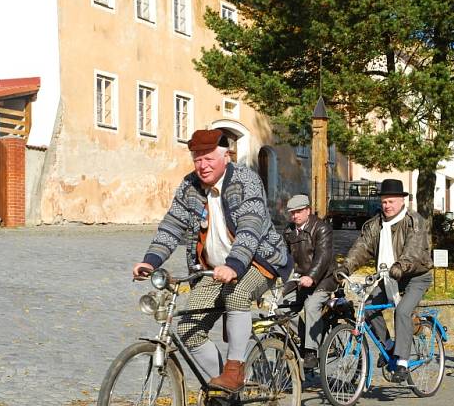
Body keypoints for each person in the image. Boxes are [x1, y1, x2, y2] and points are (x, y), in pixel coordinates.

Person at [132, 128, 292, 392]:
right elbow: (172, 226)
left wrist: (234, 265)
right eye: (197, 159)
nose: (202, 165)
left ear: (225, 156)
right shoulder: (189, 185)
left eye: (208, 158)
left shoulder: (246, 180)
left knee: (237, 294)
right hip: (213, 269)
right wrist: (151, 261)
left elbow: (250, 228)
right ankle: (223, 387)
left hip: (258, 260)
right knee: (188, 331)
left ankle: (234, 369)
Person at [334, 179, 433, 372]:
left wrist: (401, 266)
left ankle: (402, 362)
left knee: (402, 311)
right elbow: (361, 248)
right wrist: (346, 268)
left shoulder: (414, 221)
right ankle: (388, 346)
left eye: (391, 201)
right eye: (384, 202)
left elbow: (413, 250)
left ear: (401, 201)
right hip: (388, 277)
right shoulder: (376, 224)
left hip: (415, 276)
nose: (387, 206)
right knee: (369, 308)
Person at [282, 194, 336, 370]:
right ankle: (307, 335)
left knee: (311, 306)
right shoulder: (289, 231)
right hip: (300, 279)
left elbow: (323, 257)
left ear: (308, 210)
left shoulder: (321, 228)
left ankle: (310, 350)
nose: (295, 216)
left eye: (298, 212)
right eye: (292, 213)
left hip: (324, 278)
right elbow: (283, 258)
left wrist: (311, 276)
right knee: (280, 307)